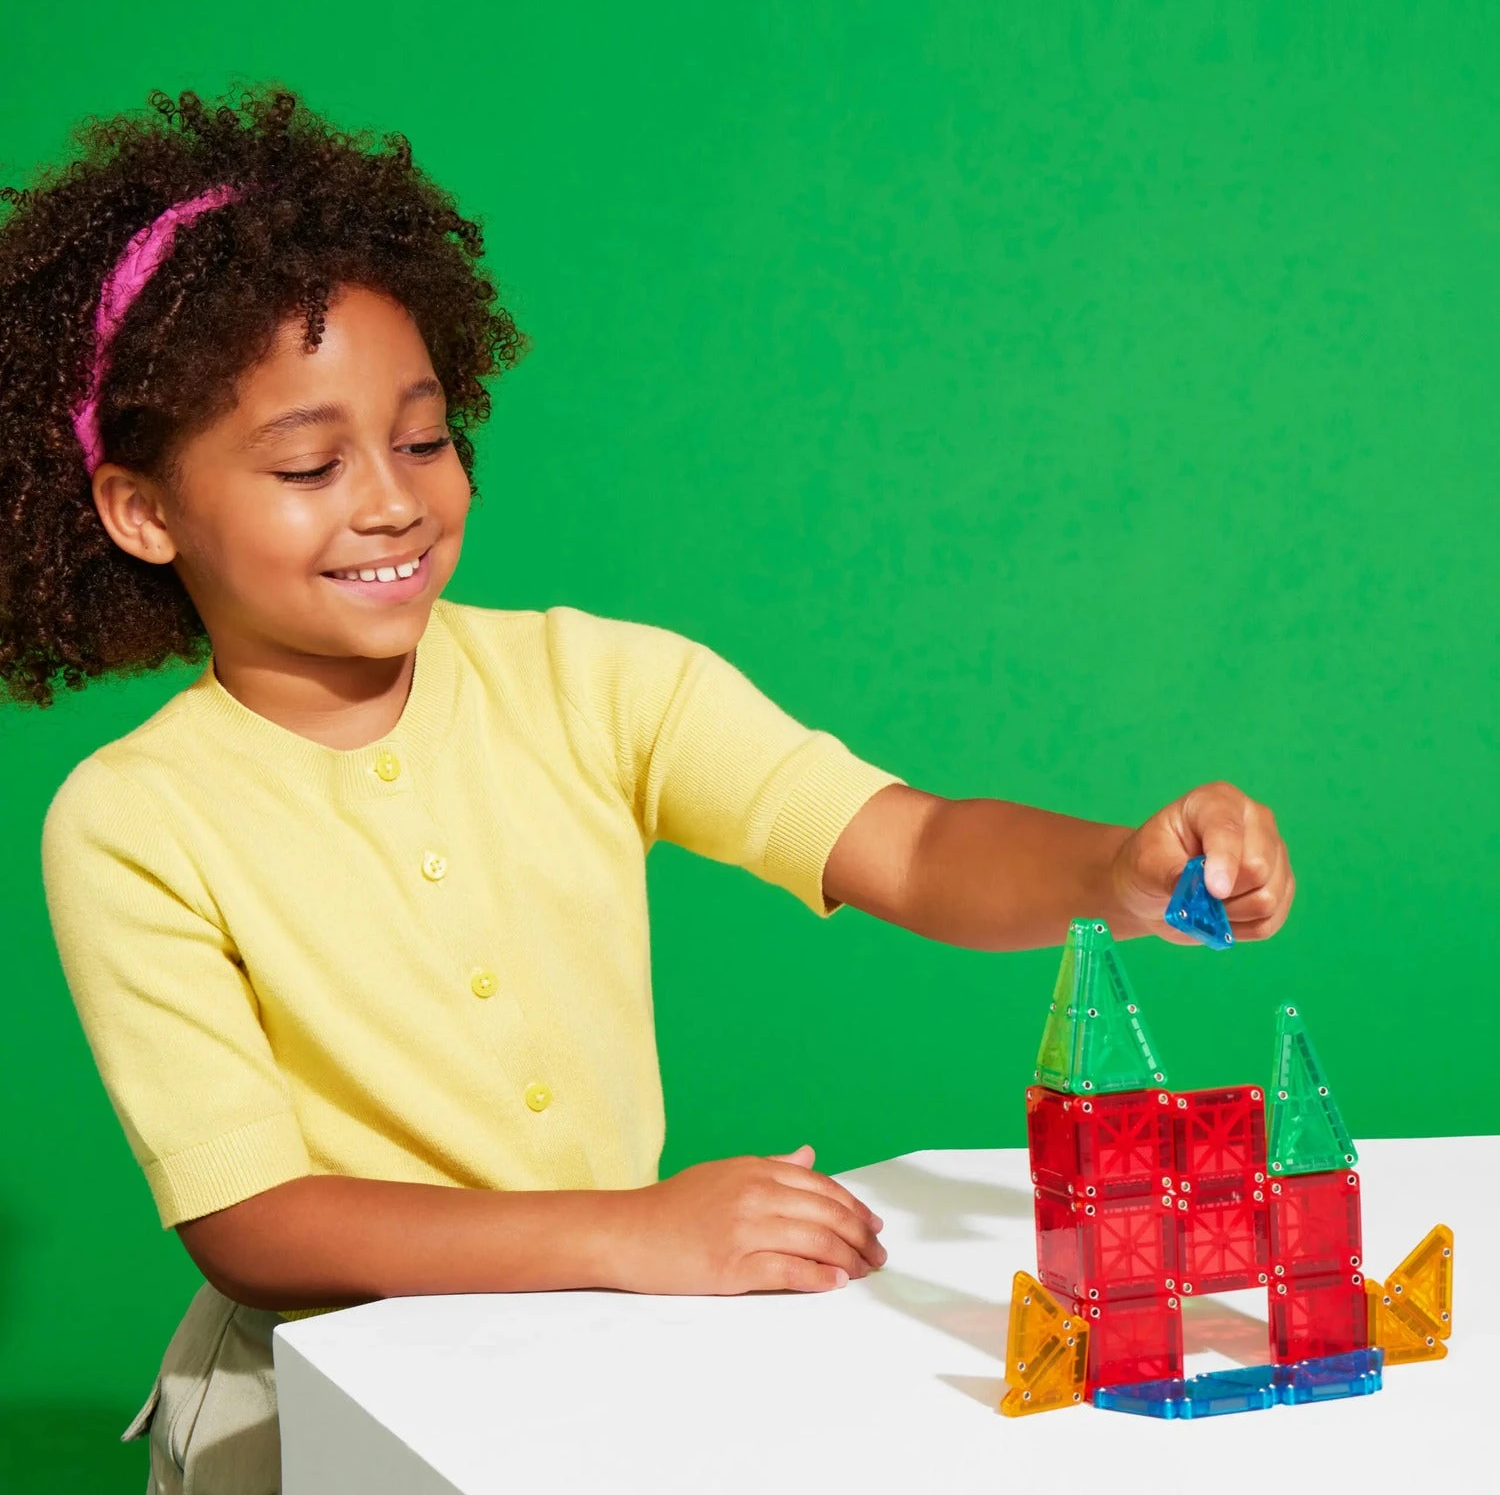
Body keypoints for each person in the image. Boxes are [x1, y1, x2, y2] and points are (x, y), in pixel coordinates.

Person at [1, 87, 1295, 1494]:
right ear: (143, 511)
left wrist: (1115, 870)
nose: (391, 501)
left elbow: (914, 846)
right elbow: (251, 1220)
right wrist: (635, 1231)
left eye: (424, 439)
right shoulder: (134, 820)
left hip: (597, 1355)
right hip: (314, 1408)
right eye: (311, 463)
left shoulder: (601, 684)